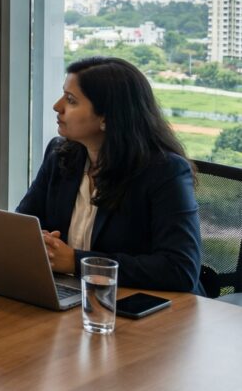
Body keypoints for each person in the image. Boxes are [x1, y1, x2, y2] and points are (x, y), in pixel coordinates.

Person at [16, 56, 203, 293]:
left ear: (106, 117)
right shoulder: (59, 155)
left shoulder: (165, 172)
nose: (57, 106)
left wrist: (77, 261)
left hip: (152, 311)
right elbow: (24, 224)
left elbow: (180, 269)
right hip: (74, 293)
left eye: (71, 100)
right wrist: (38, 240)